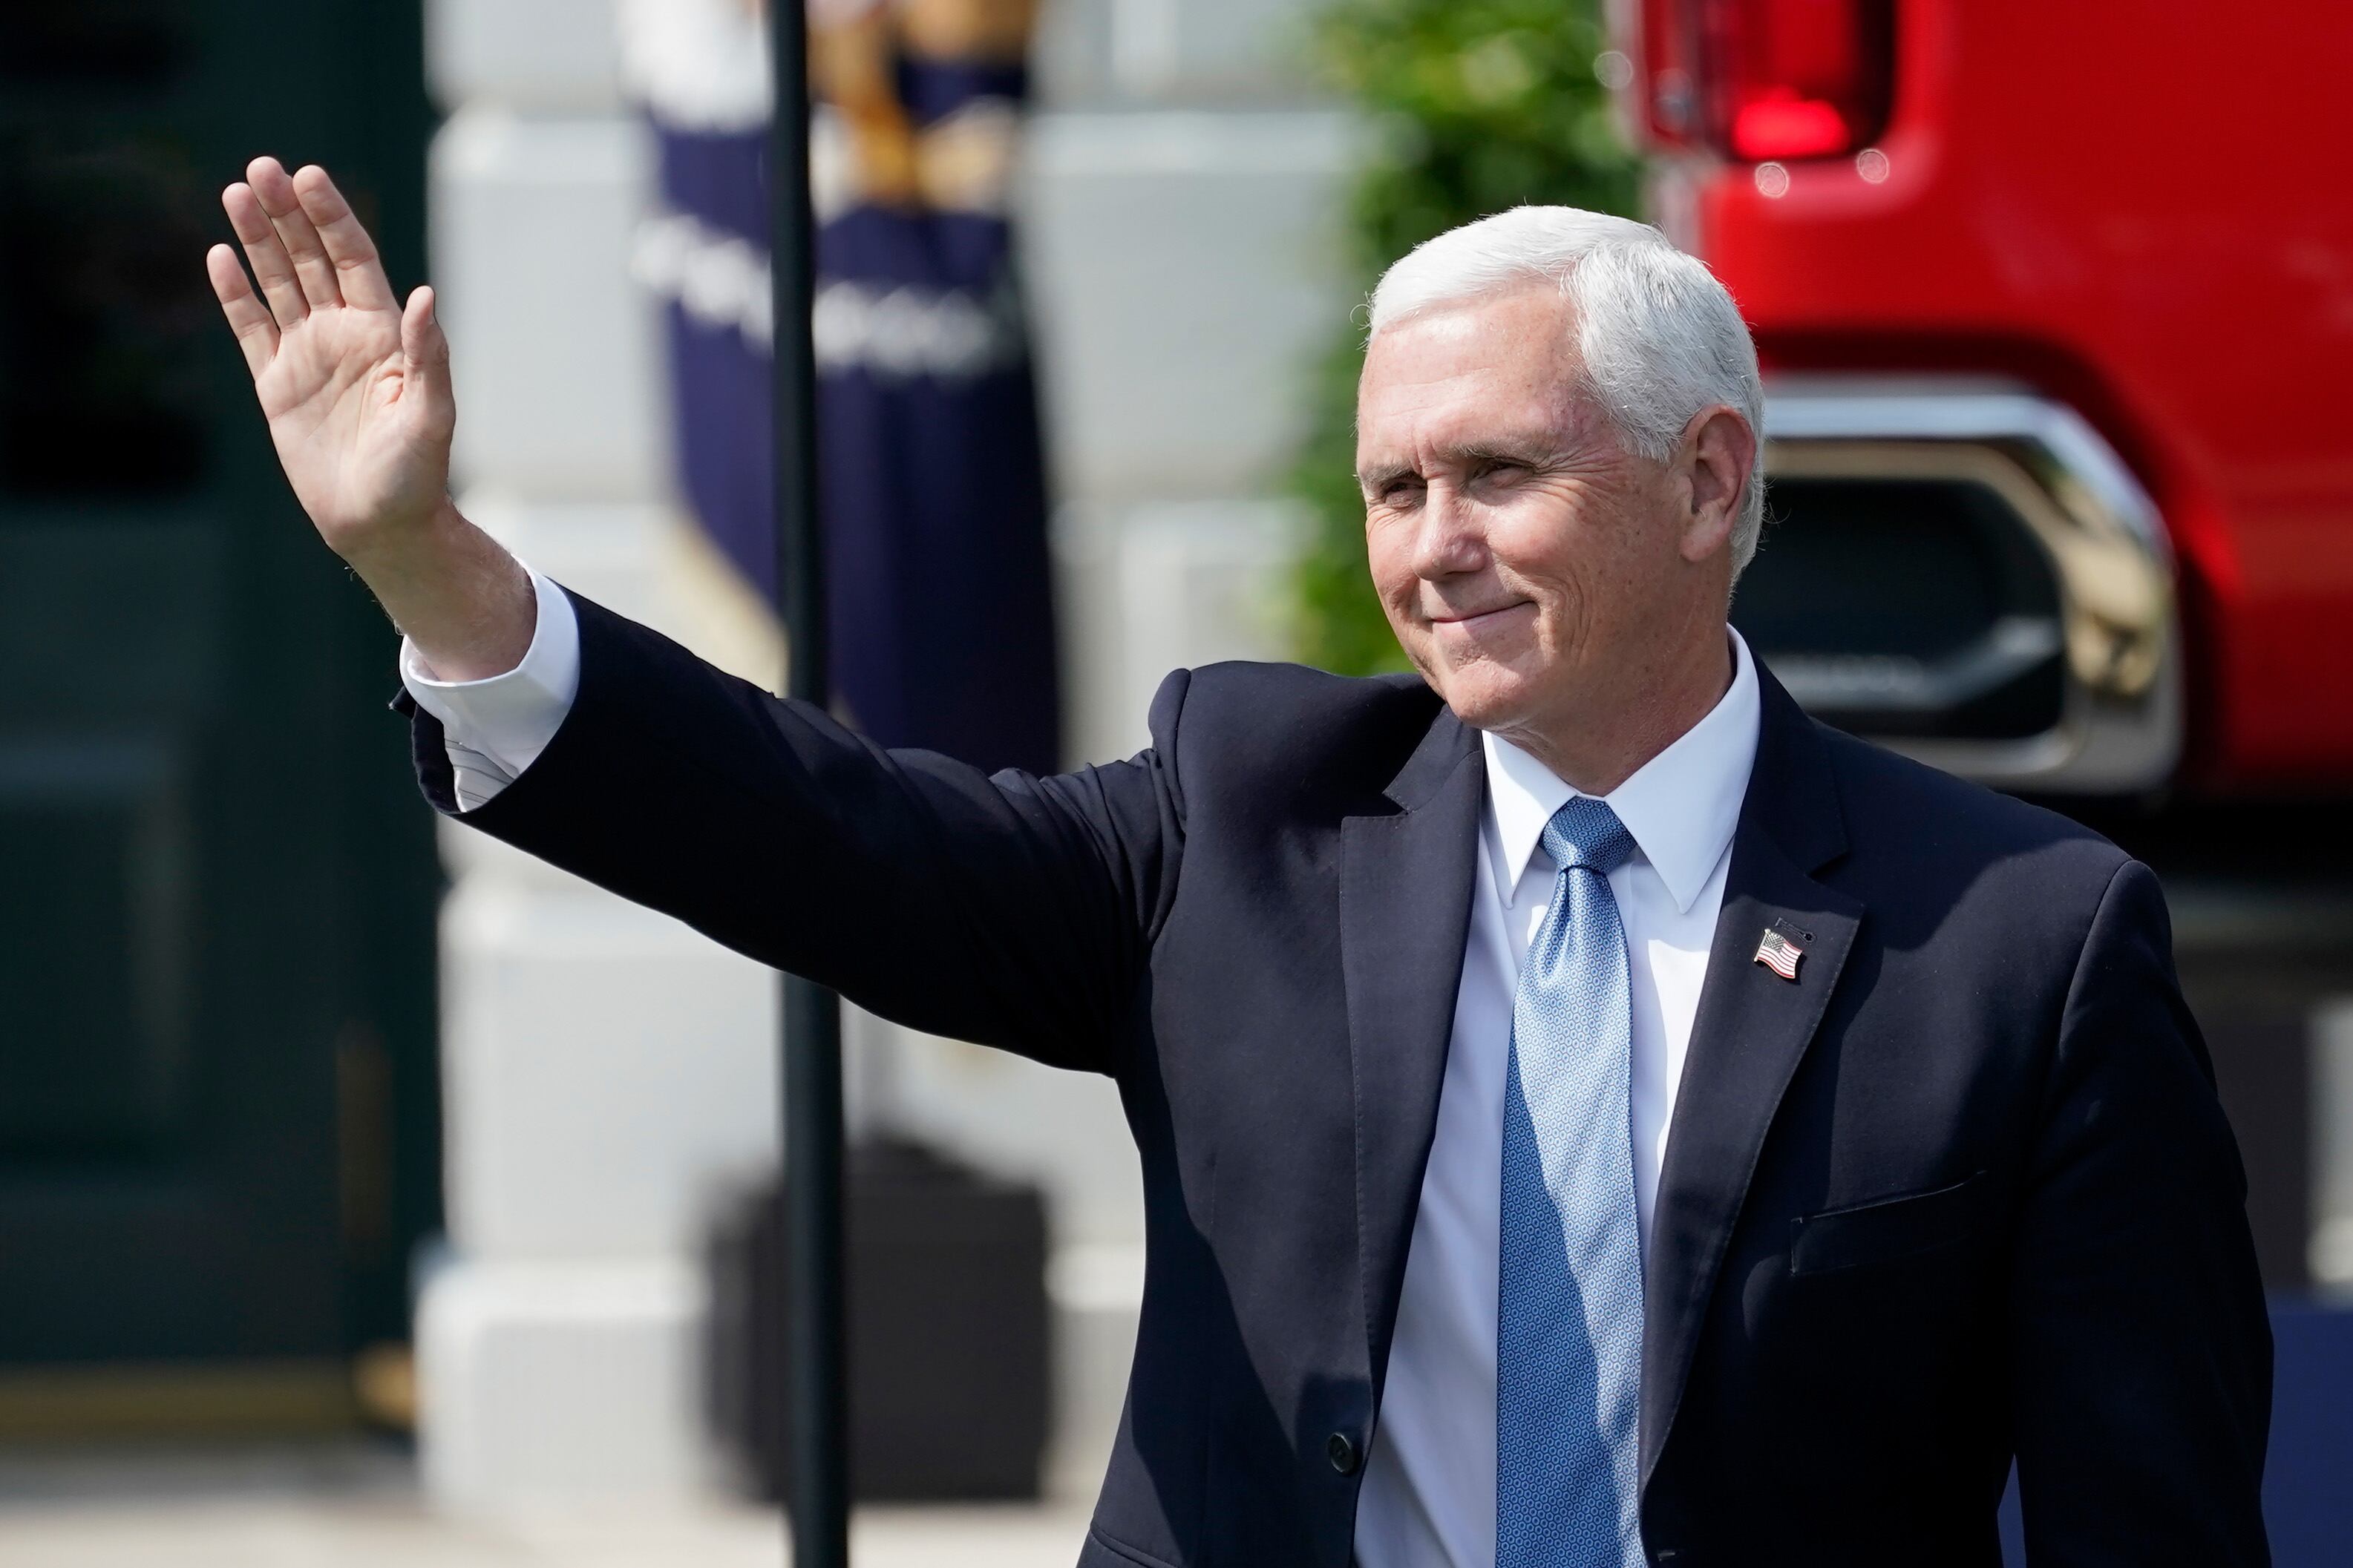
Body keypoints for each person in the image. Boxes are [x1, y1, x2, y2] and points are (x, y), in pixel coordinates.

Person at [206, 157, 2271, 1567]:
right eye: (1392, 484)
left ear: (1706, 478)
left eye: (1497, 473)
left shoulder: (2014, 939)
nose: (1427, 544)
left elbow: (2142, 1519)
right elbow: (831, 838)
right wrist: (440, 572)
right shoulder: (1251, 812)